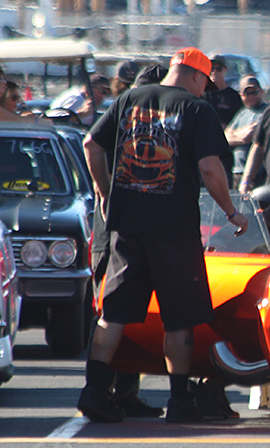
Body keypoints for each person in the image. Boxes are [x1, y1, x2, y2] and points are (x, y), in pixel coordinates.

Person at [77, 47, 249, 424]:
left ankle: (94, 391)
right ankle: (180, 400)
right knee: (179, 319)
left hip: (127, 226)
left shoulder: (128, 98)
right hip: (175, 230)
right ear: (197, 77)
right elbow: (209, 166)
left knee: (114, 312)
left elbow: (91, 144)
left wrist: (107, 194)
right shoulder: (196, 109)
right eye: (205, 83)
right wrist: (232, 212)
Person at [224, 76, 268, 188]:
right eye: (247, 94)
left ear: (261, 92)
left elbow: (250, 135)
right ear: (241, 95)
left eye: (254, 92)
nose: (251, 97)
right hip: (237, 171)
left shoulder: (266, 111)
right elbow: (225, 137)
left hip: (256, 173)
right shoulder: (242, 113)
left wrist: (235, 134)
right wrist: (241, 134)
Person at [203, 56, 244, 128]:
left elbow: (240, 120)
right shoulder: (201, 94)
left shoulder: (234, 96)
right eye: (211, 68)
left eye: (219, 69)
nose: (214, 72)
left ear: (225, 70)